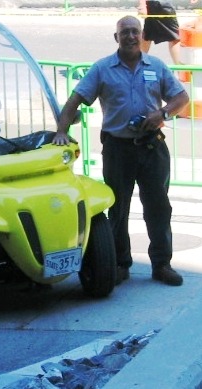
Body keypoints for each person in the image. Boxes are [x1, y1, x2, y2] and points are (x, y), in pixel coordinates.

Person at [53, 16, 189, 286]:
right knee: (117, 209)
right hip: (118, 149)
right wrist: (61, 131)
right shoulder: (102, 69)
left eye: (134, 32)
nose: (130, 36)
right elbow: (74, 101)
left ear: (142, 36)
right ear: (116, 37)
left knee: (159, 207)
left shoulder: (156, 66)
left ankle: (162, 264)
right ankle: (120, 264)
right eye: (124, 32)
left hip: (153, 148)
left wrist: (162, 113)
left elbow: (181, 98)